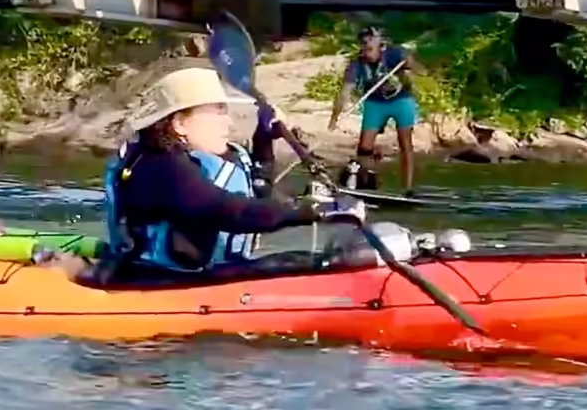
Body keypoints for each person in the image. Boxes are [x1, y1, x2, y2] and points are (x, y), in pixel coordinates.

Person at [100, 66, 364, 283]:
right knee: (309, 265)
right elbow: (228, 211)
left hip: (198, 278)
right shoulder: (160, 167)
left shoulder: (193, 159)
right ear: (180, 123)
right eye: (218, 112)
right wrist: (312, 211)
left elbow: (258, 190)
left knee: (313, 260)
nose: (229, 122)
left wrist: (263, 141)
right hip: (157, 283)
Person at [328, 26, 422, 194]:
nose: (366, 47)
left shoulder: (394, 54)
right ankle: (367, 183)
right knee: (364, 149)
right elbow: (345, 92)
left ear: (380, 45)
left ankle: (408, 189)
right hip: (374, 103)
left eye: (370, 42)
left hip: (401, 100)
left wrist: (410, 63)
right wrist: (334, 118)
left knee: (405, 143)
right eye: (364, 43)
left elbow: (421, 71)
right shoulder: (357, 64)